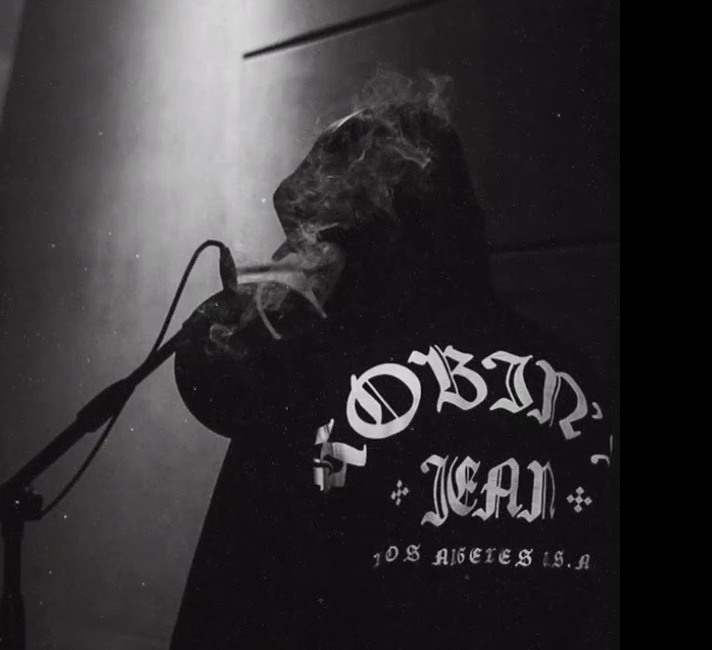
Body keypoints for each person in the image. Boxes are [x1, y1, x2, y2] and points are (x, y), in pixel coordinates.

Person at [170, 81, 619, 649]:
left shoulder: (305, 377)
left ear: (355, 233)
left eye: (314, 240)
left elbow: (232, 606)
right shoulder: (576, 374)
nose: (303, 260)